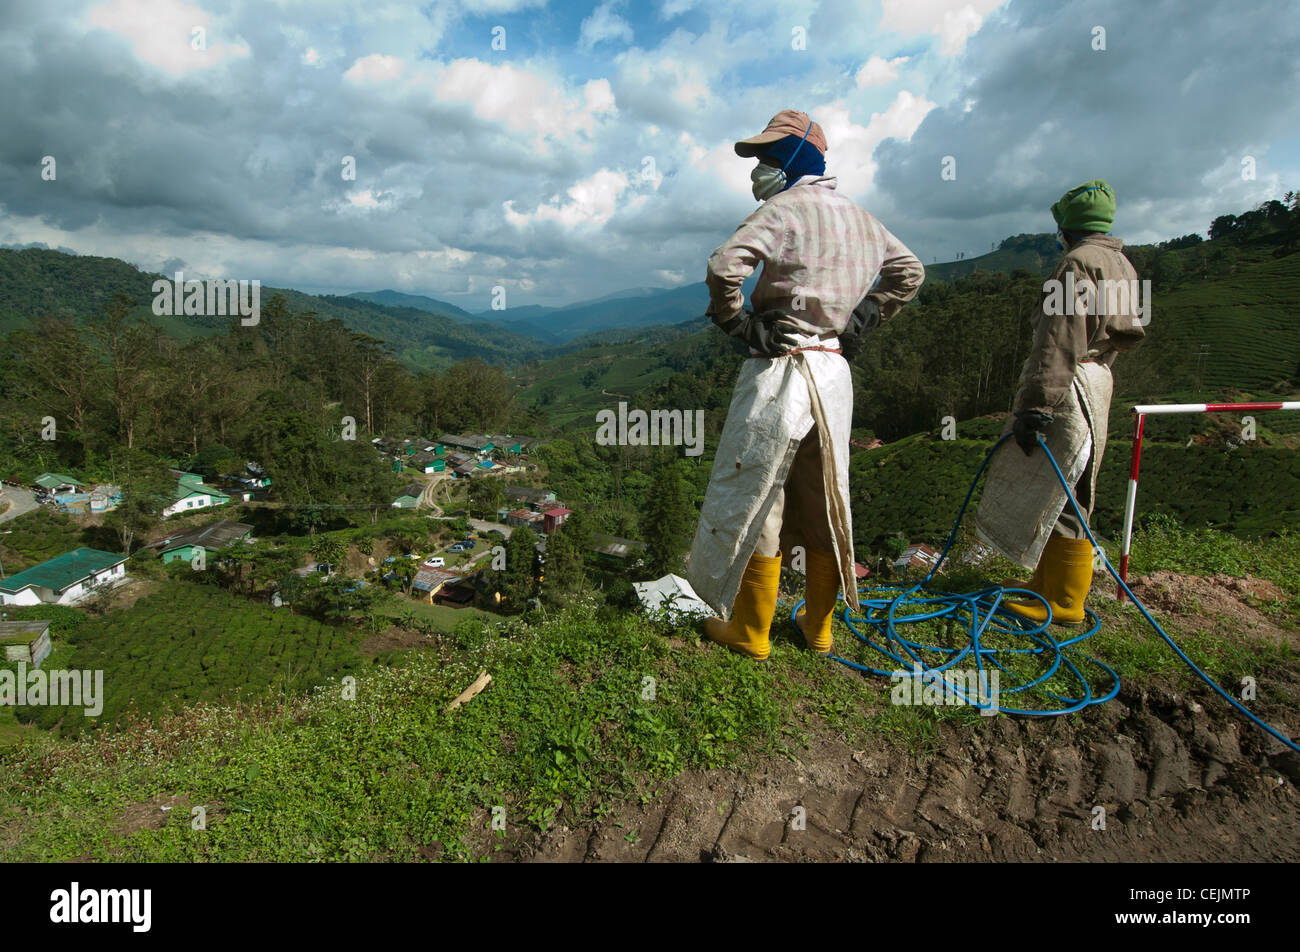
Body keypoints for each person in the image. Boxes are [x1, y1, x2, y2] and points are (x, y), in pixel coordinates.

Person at [686, 109, 925, 660]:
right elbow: (909, 271)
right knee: (826, 497)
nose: (760, 170)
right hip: (832, 373)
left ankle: (751, 631)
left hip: (780, 370)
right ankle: (819, 628)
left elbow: (726, 266)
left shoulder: (784, 209)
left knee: (759, 495)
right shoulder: (862, 219)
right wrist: (864, 316)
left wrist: (736, 321)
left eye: (769, 157)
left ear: (795, 160)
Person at [976, 179, 1145, 624]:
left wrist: (1037, 404)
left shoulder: (1076, 264)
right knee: (1075, 481)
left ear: (1067, 227)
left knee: (1064, 486)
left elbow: (1058, 341)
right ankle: (1046, 586)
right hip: (1100, 377)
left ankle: (1066, 600)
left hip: (1069, 382)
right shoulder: (1121, 262)